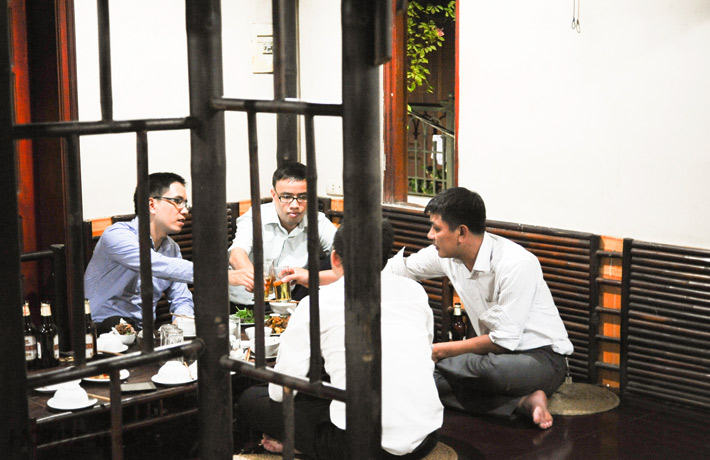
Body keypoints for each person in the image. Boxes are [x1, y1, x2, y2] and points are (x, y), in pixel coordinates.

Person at [237, 220, 443, 459]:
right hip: (426, 436)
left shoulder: (317, 303)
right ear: (385, 258)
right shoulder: (415, 291)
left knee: (253, 399)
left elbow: (280, 390)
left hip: (361, 448)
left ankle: (305, 447)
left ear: (334, 258)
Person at [386, 187, 572, 430]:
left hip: (541, 360)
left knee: (485, 372)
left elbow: (503, 341)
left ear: (461, 232)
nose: (430, 235)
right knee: (424, 381)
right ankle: (522, 403)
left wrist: (436, 352)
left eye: (436, 228)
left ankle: (518, 393)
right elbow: (396, 271)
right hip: (491, 358)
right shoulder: (444, 256)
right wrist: (342, 277)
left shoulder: (516, 263)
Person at [85, 172, 250, 332]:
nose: (185, 210)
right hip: (100, 332)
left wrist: (183, 321)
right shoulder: (116, 235)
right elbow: (155, 264)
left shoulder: (171, 248)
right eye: (177, 201)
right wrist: (220, 276)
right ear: (151, 205)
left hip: (145, 334)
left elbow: (181, 298)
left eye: (185, 203)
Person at [227, 162, 337, 307]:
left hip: (289, 299)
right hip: (246, 301)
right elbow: (237, 254)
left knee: (338, 257)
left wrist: (310, 277)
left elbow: (348, 262)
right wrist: (254, 278)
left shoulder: (318, 222)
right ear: (274, 195)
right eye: (286, 197)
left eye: (303, 197)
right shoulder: (255, 217)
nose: (295, 205)